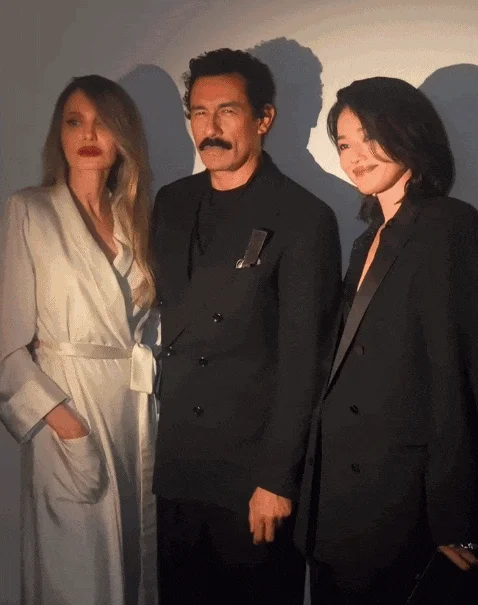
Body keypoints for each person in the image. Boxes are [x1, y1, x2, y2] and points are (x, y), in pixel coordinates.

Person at [150, 48, 342, 605]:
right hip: (180, 466)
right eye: (199, 112)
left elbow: (305, 362)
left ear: (264, 118)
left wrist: (277, 480)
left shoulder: (303, 216)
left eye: (227, 111)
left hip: (252, 476)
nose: (210, 128)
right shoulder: (171, 202)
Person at [295, 76, 478, 604]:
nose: (355, 156)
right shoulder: (366, 239)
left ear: (409, 132)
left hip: (403, 502)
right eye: (344, 143)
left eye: (370, 137)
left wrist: (457, 518)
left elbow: (455, 373)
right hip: (340, 495)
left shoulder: (448, 226)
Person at [0, 75, 160, 605]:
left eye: (102, 123)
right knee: (74, 572)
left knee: (133, 565)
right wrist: (67, 429)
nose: (88, 135)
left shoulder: (135, 220)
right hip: (68, 413)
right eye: (75, 121)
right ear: (59, 134)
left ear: (122, 138)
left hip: (132, 416)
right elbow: (6, 345)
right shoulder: (31, 211)